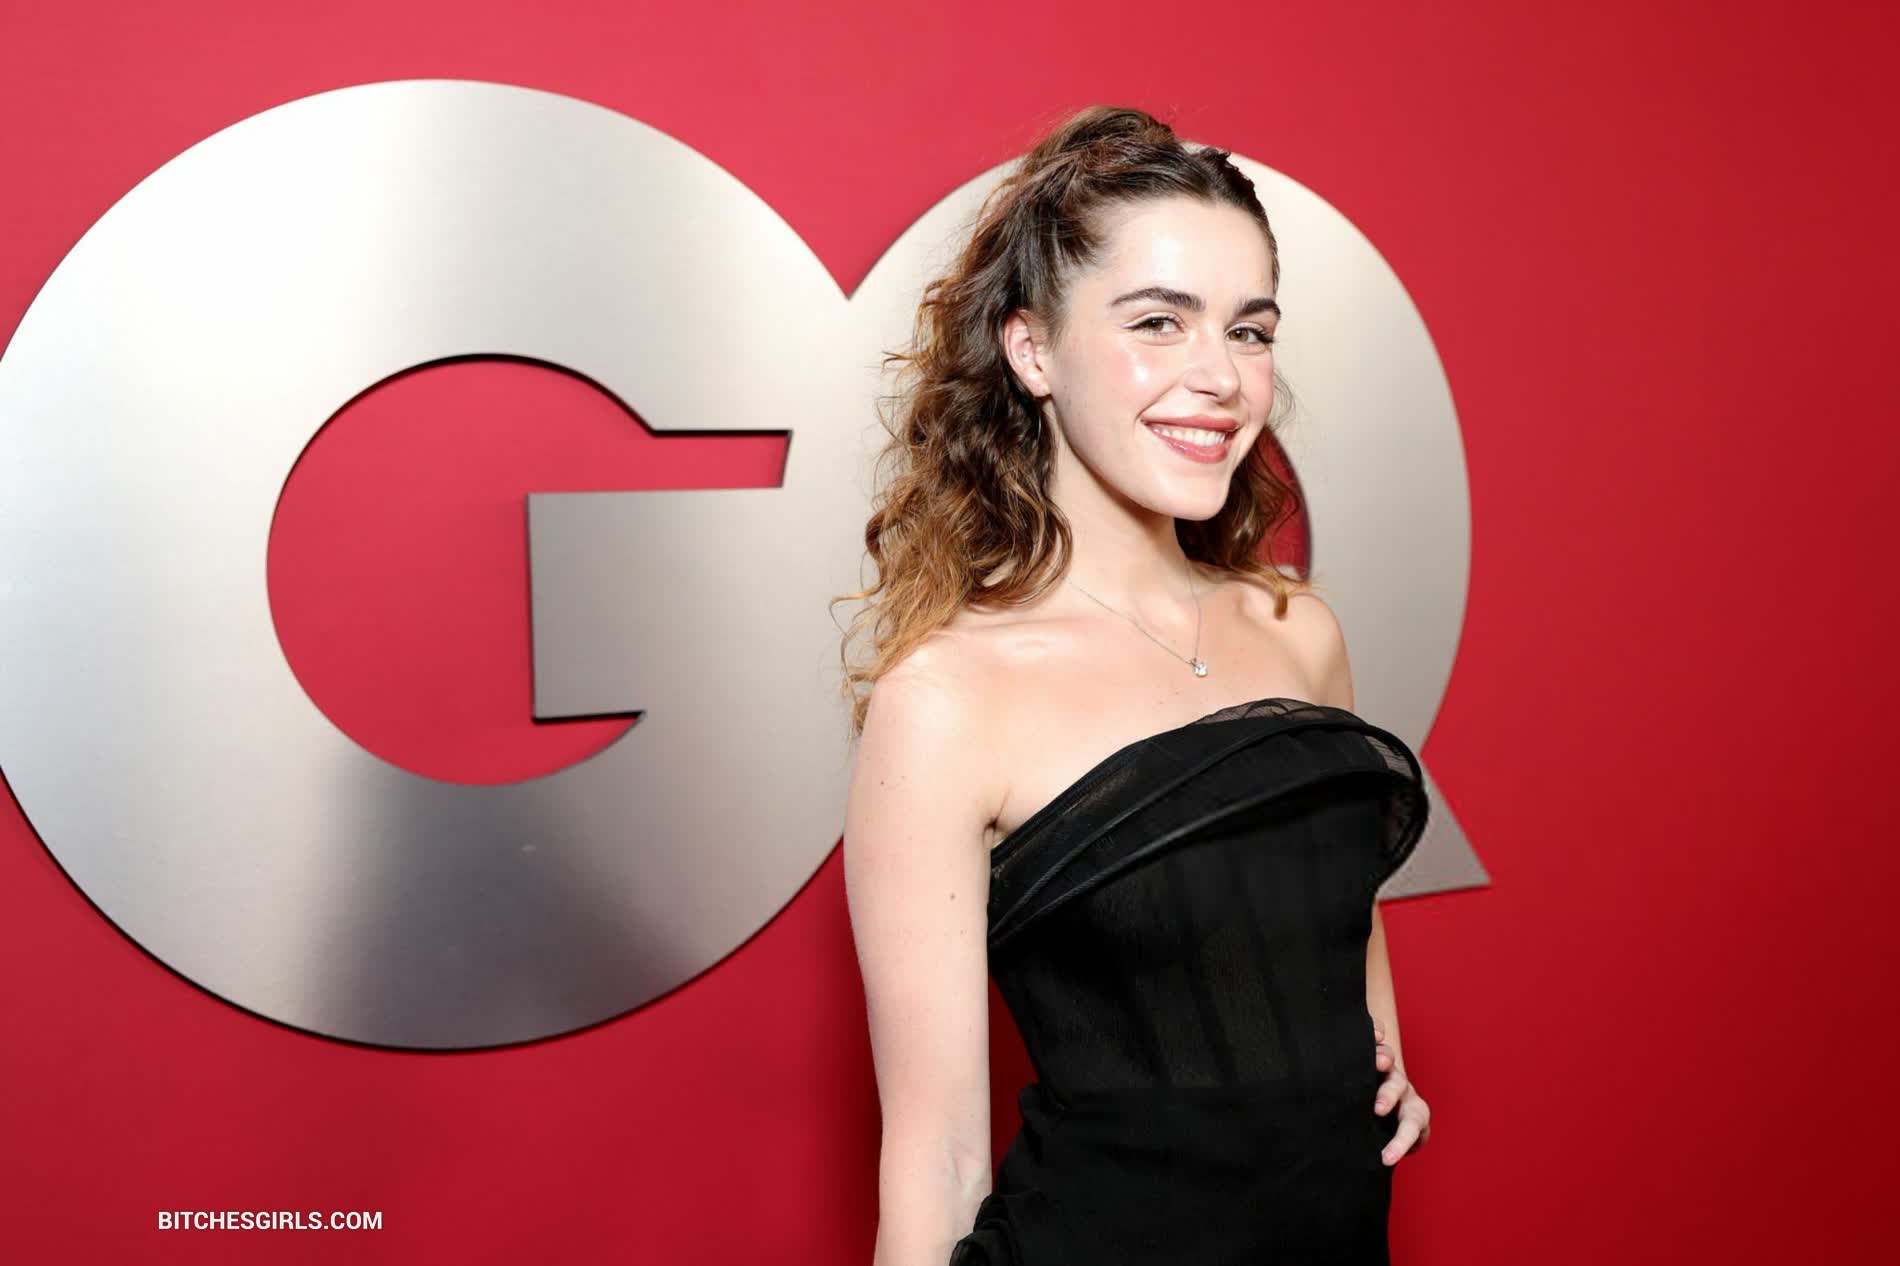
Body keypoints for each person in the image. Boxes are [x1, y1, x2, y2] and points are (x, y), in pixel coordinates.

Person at [834, 105, 1434, 1266]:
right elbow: (937, 1157)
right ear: (1032, 352)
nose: (1219, 378)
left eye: (1248, 331)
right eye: (1158, 322)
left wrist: (1363, 1073)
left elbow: (1329, 919)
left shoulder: (1298, 633)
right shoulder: (948, 696)